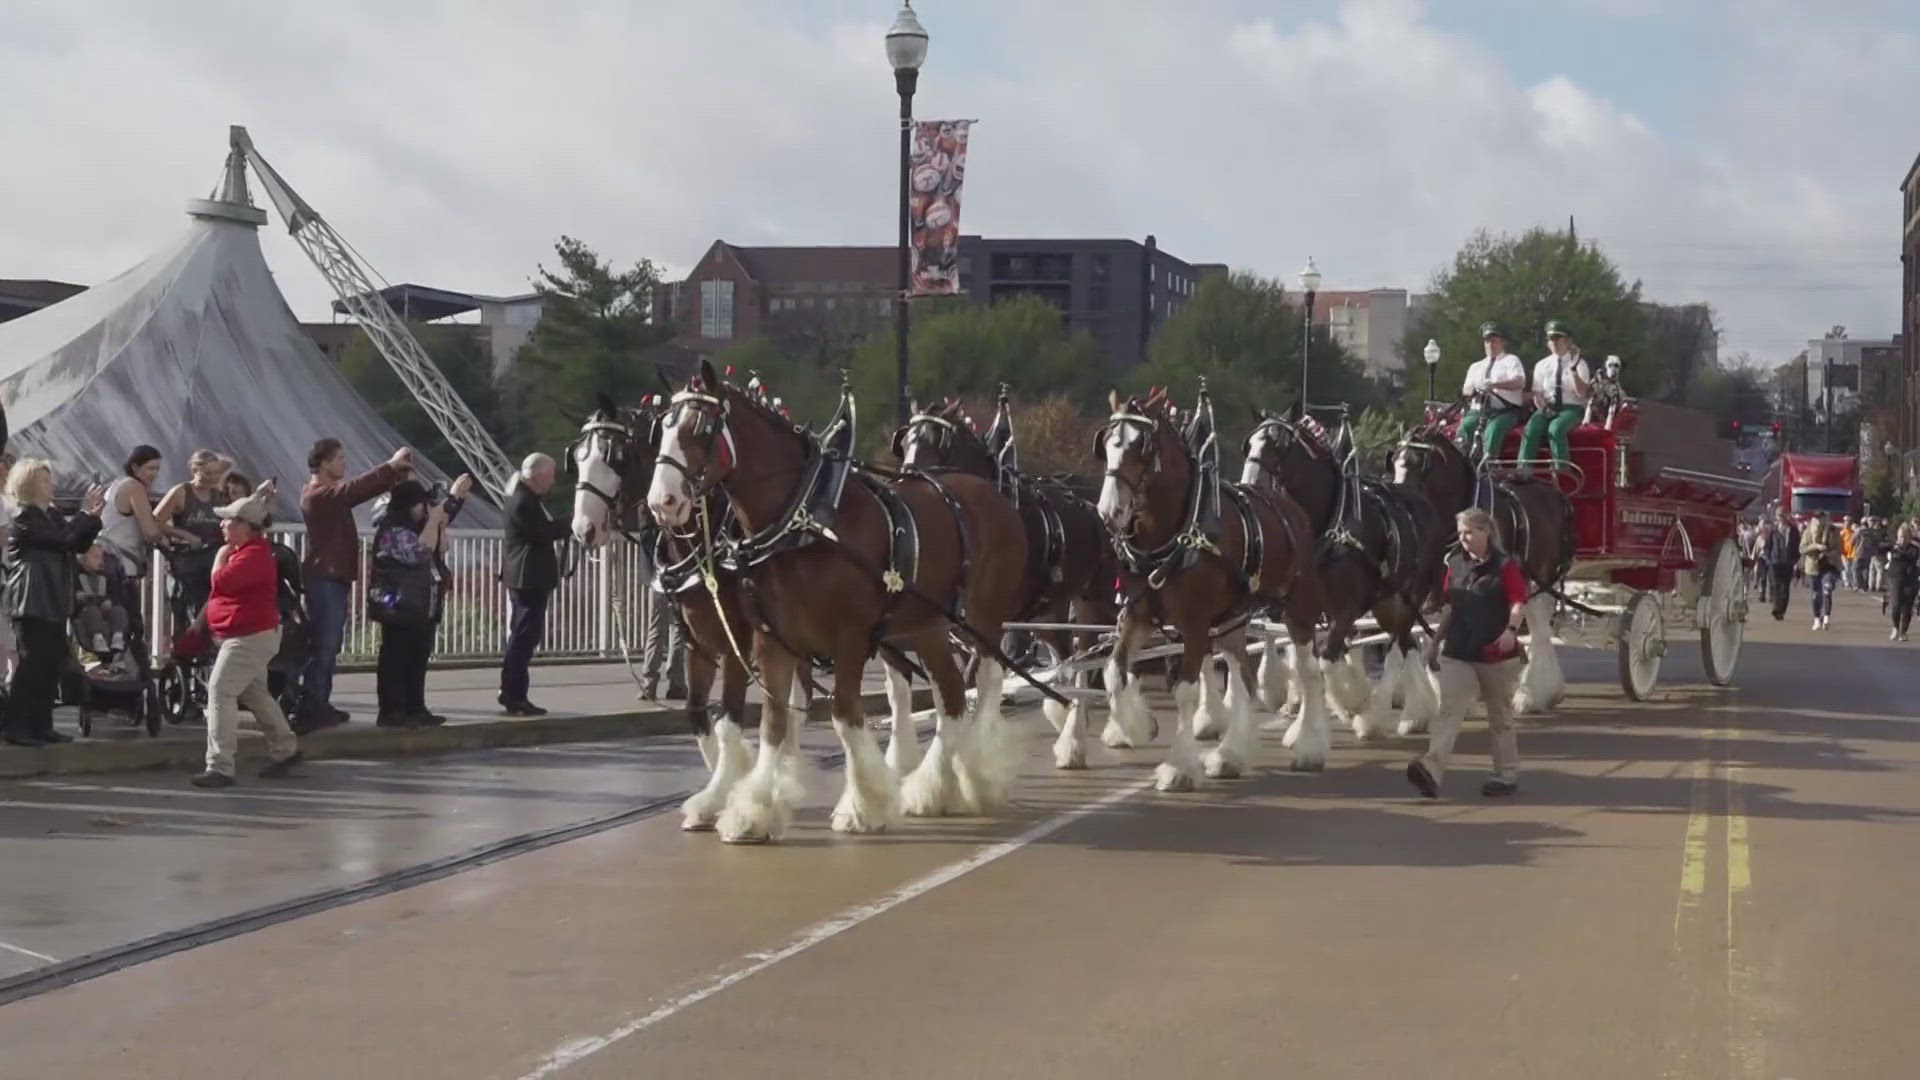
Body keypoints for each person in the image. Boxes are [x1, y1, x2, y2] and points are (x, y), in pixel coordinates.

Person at [1407, 507, 1527, 799]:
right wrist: (1436, 642)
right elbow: (1452, 605)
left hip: (1495, 653)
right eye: (1460, 533)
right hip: (1459, 650)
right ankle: (1431, 772)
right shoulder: (1454, 564)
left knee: (1500, 717)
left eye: (1470, 532)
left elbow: (1517, 601)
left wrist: (1510, 631)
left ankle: (1505, 775)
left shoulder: (1505, 566)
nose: (1464, 538)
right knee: (1449, 711)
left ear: (1486, 532)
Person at [192, 487, 304, 788]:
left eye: (228, 520)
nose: (221, 525)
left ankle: (220, 766)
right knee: (256, 693)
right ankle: (285, 749)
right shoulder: (250, 551)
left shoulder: (251, 555)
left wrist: (219, 557)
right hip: (251, 634)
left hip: (248, 636)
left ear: (244, 525)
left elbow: (220, 582)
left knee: (219, 692)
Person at [298, 438, 410, 732]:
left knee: (329, 644)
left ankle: (319, 701)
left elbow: (355, 491)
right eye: (339, 459)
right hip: (325, 577)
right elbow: (353, 491)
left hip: (333, 576)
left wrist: (393, 474)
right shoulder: (318, 494)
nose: (343, 464)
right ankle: (313, 704)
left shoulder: (327, 494)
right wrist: (391, 467)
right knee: (324, 644)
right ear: (323, 463)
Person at [3, 460, 105, 747]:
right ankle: (19, 726)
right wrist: (85, 515)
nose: (53, 485)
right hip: (32, 596)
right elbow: (61, 541)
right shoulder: (25, 515)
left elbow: (77, 543)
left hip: (53, 595)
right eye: (46, 480)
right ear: (30, 483)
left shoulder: (52, 514)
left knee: (50, 663)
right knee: (32, 662)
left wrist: (92, 520)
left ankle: (41, 725)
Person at [368, 479, 451, 728]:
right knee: (397, 657)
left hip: (420, 603)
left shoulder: (417, 526)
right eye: (421, 504)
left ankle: (415, 707)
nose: (424, 509)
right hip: (399, 603)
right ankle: (392, 710)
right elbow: (419, 553)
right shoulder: (394, 528)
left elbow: (441, 548)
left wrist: (438, 524)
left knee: (417, 655)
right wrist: (434, 521)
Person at [500, 453, 570, 715]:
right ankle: (515, 694)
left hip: (523, 575)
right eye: (550, 476)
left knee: (521, 635)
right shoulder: (523, 502)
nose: (552, 482)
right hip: (528, 577)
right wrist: (571, 522)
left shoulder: (522, 498)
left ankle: (510, 690)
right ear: (538, 476)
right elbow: (543, 533)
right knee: (524, 637)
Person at [153, 449, 232, 621]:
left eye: (216, 473)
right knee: (189, 610)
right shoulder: (181, 492)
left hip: (212, 560)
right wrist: (183, 534)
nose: (213, 477)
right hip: (188, 562)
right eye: (208, 473)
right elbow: (155, 521)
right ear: (195, 471)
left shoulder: (217, 495)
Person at [1520, 320, 1591, 472]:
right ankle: (1523, 472)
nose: (1554, 342)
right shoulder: (1541, 365)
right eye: (1551, 339)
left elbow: (1583, 393)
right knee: (1531, 429)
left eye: (1558, 339)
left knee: (1556, 428)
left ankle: (1562, 471)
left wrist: (1572, 370)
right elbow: (1537, 394)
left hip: (1571, 408)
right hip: (1548, 406)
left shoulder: (1579, 364)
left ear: (1568, 341)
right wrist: (1544, 409)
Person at [1454, 323, 1529, 463]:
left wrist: (1495, 385)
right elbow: (1466, 389)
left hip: (1505, 411)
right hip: (1479, 410)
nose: (1490, 345)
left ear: (1502, 342)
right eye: (1487, 341)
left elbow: (1519, 382)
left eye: (1494, 341)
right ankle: (1461, 464)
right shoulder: (1476, 367)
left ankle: (1488, 466)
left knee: (1493, 430)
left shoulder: (1511, 361)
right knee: (1466, 426)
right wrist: (1473, 392)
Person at [1802, 510, 1841, 630]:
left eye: (1821, 518)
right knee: (1816, 595)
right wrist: (1816, 546)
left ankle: (1827, 617)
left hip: (1829, 565)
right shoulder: (1808, 531)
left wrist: (1828, 553)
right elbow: (1802, 548)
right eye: (1816, 518)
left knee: (1827, 590)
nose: (1819, 521)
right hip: (1813, 566)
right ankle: (1816, 618)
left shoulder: (1833, 531)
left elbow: (1838, 548)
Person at [1763, 507, 1801, 621]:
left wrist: (1795, 560)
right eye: (1779, 515)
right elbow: (1767, 546)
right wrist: (1768, 559)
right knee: (1774, 586)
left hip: (1788, 562)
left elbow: (1797, 546)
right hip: (1774, 562)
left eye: (1783, 515)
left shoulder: (1793, 530)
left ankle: (1781, 610)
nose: (1781, 518)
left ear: (1787, 516)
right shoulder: (1773, 530)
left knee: (1784, 588)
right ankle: (1775, 608)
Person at [1887, 524, 1920, 642]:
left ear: (1909, 537)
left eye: (1905, 537)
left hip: (1910, 579)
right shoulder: (1893, 547)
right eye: (1900, 537)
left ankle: (1903, 632)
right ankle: (1895, 627)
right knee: (1895, 605)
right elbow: (1880, 547)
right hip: (1894, 578)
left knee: (1907, 607)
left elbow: (1912, 558)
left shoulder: (1914, 549)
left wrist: (1900, 552)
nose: (1902, 540)